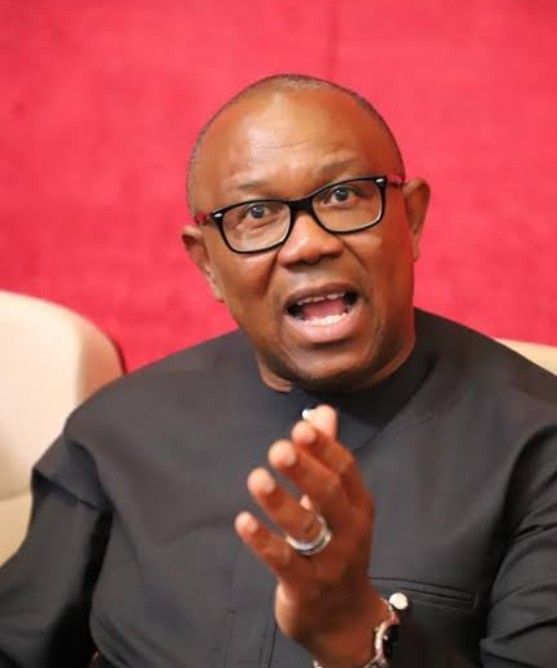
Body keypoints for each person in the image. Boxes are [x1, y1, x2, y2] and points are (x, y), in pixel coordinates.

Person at [0, 74, 556, 668]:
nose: (307, 245)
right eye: (257, 213)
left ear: (411, 219)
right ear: (207, 264)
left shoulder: (538, 446)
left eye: (343, 196)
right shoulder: (114, 434)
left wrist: (360, 636)